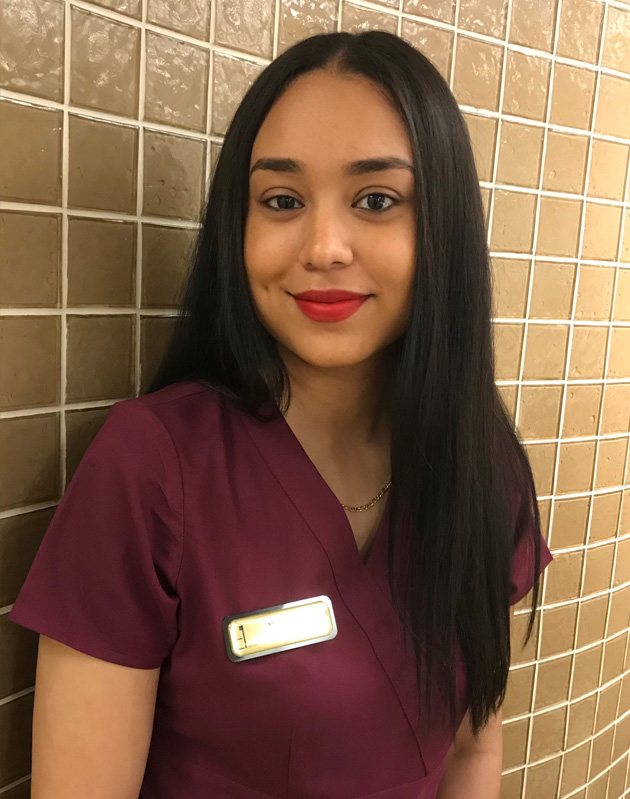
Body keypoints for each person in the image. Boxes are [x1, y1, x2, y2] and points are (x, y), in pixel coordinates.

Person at [9, 30, 553, 799]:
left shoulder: (485, 470)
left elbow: (470, 755)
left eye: (376, 199)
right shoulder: (153, 468)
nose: (324, 246)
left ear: (445, 231)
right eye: (282, 200)